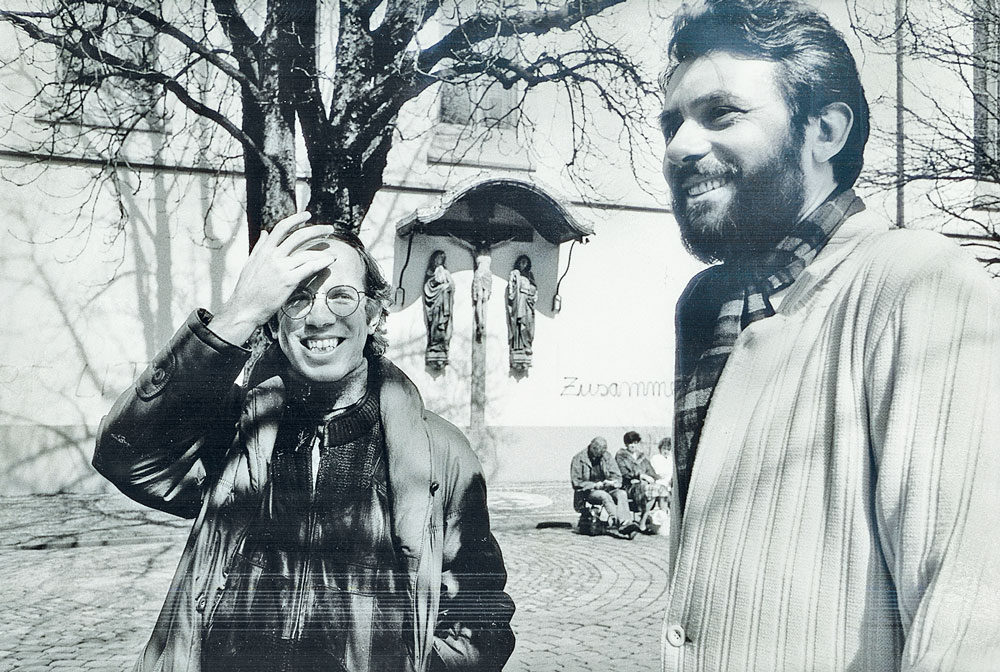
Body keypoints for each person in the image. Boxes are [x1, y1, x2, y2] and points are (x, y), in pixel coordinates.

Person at [660, 1, 1000, 669]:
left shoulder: (920, 283)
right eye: (672, 124)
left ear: (825, 130)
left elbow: (969, 621)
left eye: (720, 114)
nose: (678, 148)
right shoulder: (710, 309)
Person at [93, 213, 515, 672]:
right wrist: (239, 313)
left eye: (341, 296)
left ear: (373, 314)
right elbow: (125, 454)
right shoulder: (234, 429)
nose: (318, 317)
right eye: (297, 299)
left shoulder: (440, 454)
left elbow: (480, 618)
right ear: (275, 321)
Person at [570, 436, 638, 540]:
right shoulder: (578, 459)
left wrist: (612, 482)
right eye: (598, 453)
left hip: (608, 488)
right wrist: (594, 485)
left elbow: (617, 476)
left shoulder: (607, 456)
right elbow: (576, 482)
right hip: (589, 492)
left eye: (602, 452)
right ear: (592, 448)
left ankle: (626, 523)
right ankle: (620, 523)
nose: (601, 455)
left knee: (621, 494)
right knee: (604, 496)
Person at [615, 431, 668, 534]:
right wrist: (640, 476)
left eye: (635, 443)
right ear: (626, 444)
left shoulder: (642, 457)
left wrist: (654, 478)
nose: (633, 445)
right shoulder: (621, 456)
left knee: (661, 489)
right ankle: (643, 524)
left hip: (644, 486)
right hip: (629, 486)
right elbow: (623, 473)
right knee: (650, 488)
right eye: (630, 443)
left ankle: (658, 522)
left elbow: (651, 472)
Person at [422, 249, 454, 368]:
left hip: (445, 305)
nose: (440, 261)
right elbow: (428, 287)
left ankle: (442, 347)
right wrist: (439, 286)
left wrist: (447, 287)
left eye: (442, 259)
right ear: (435, 259)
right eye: (439, 258)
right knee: (435, 324)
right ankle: (434, 346)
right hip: (435, 305)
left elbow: (452, 286)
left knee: (443, 325)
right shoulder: (430, 272)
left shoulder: (446, 272)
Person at [505, 254, 537, 370]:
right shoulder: (515, 273)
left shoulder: (529, 275)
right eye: (522, 262)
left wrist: (532, 296)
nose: (523, 264)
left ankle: (527, 345)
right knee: (519, 323)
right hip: (519, 300)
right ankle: (518, 347)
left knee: (528, 322)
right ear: (518, 263)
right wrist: (512, 294)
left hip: (528, 301)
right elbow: (511, 287)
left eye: (525, 262)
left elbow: (535, 289)